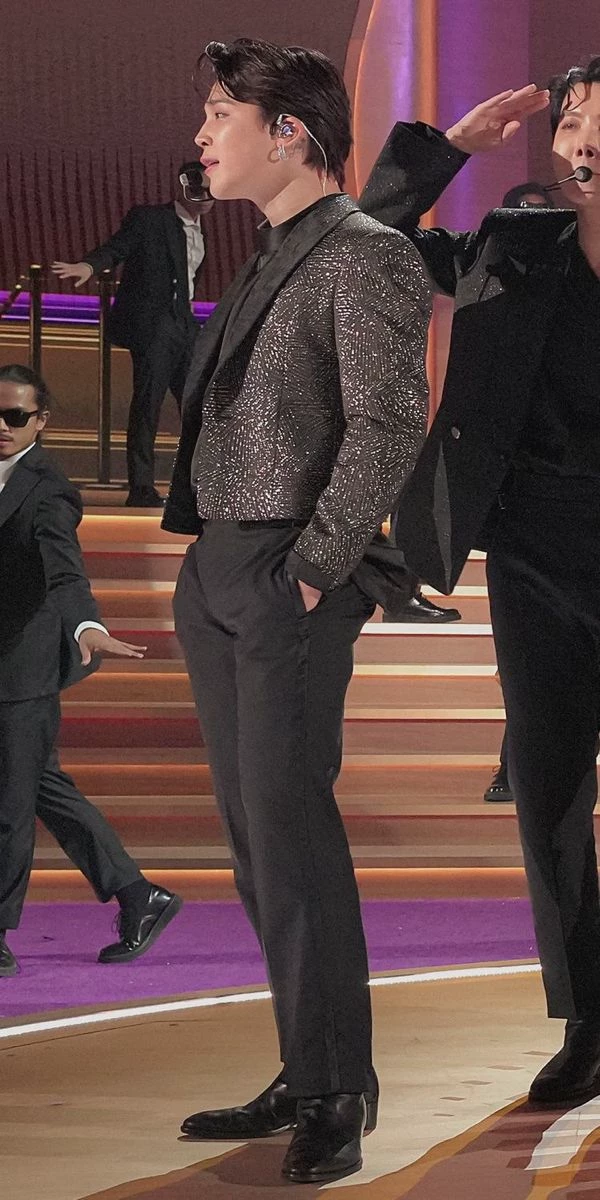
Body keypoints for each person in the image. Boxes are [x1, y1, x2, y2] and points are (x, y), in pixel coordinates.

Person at [162, 37, 431, 1183]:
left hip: (288, 573)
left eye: (222, 113)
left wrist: (316, 566)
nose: (201, 133)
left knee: (292, 833)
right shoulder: (279, 250)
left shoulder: (366, 254)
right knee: (256, 841)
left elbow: (390, 419)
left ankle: (337, 1089)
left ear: (291, 132)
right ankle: (304, 1062)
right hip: (221, 570)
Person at [361, 61, 600, 1105]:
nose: (585, 139)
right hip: (539, 551)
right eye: (576, 121)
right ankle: (589, 1019)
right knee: (549, 792)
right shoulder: (515, 244)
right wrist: (448, 148)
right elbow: (367, 244)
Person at [0, 364, 182, 979]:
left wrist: (86, 626)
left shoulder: (49, 488)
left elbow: (65, 570)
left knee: (10, 802)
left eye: (15, 416)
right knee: (38, 787)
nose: (2, 426)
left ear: (41, 421)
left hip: (22, 667)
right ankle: (138, 895)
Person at [52, 163, 214, 507]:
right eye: (198, 190)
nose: (205, 198)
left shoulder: (202, 230)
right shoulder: (150, 219)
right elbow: (118, 247)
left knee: (197, 404)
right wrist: (89, 265)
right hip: (155, 326)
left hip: (185, 324)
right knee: (147, 405)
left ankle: (197, 487)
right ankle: (141, 488)